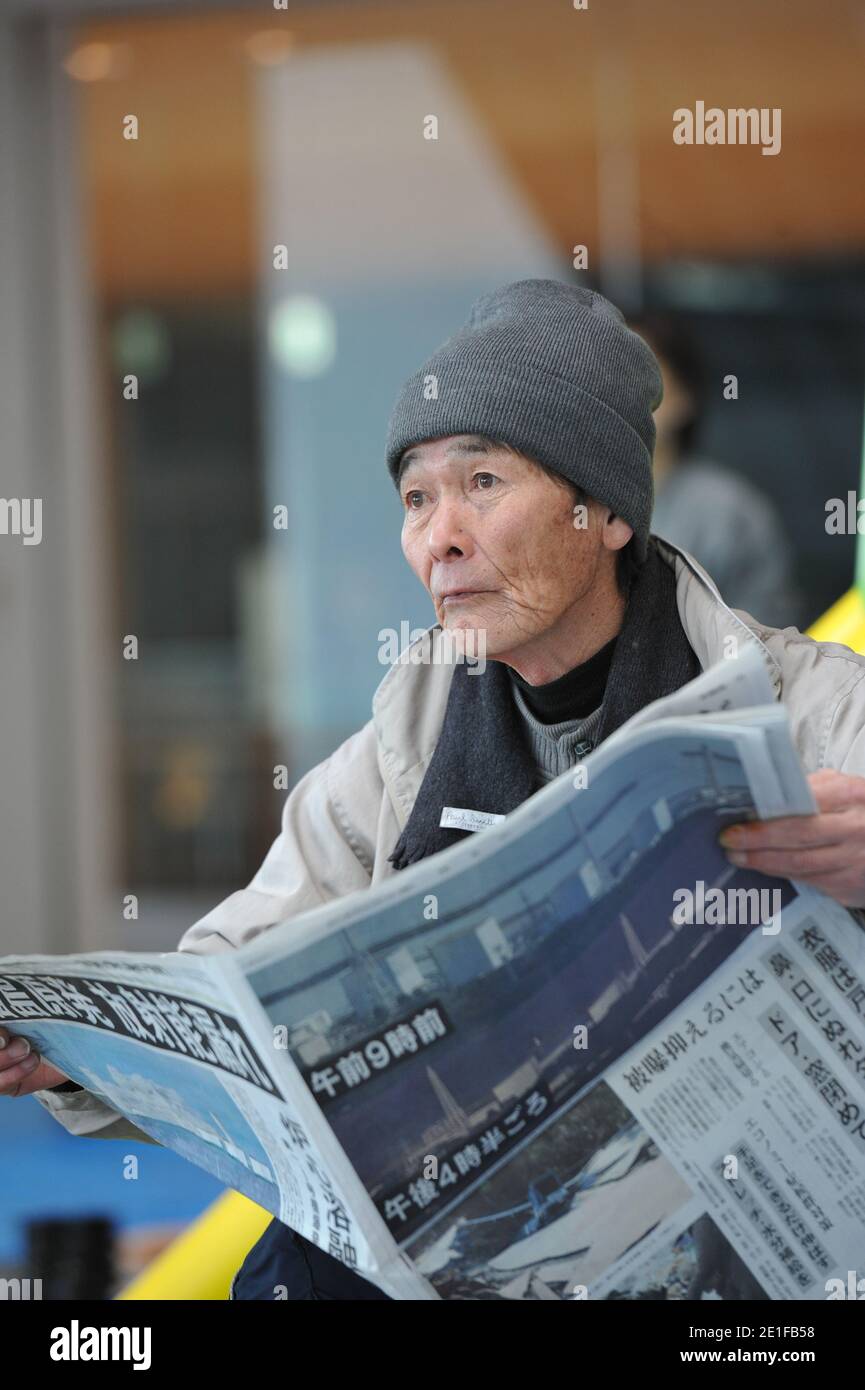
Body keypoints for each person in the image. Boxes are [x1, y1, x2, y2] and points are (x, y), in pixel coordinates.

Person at [6, 278, 865, 1300]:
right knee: (291, 1276)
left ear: (604, 514)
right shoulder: (404, 739)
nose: (438, 536)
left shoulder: (812, 707)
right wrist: (74, 1055)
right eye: (417, 497)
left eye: (483, 483)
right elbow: (233, 977)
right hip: (504, 1237)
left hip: (745, 1230)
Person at [632, 313, 799, 628]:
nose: (623, 396)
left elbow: (763, 643)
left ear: (685, 396)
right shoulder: (575, 500)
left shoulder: (730, 511)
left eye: (641, 376)